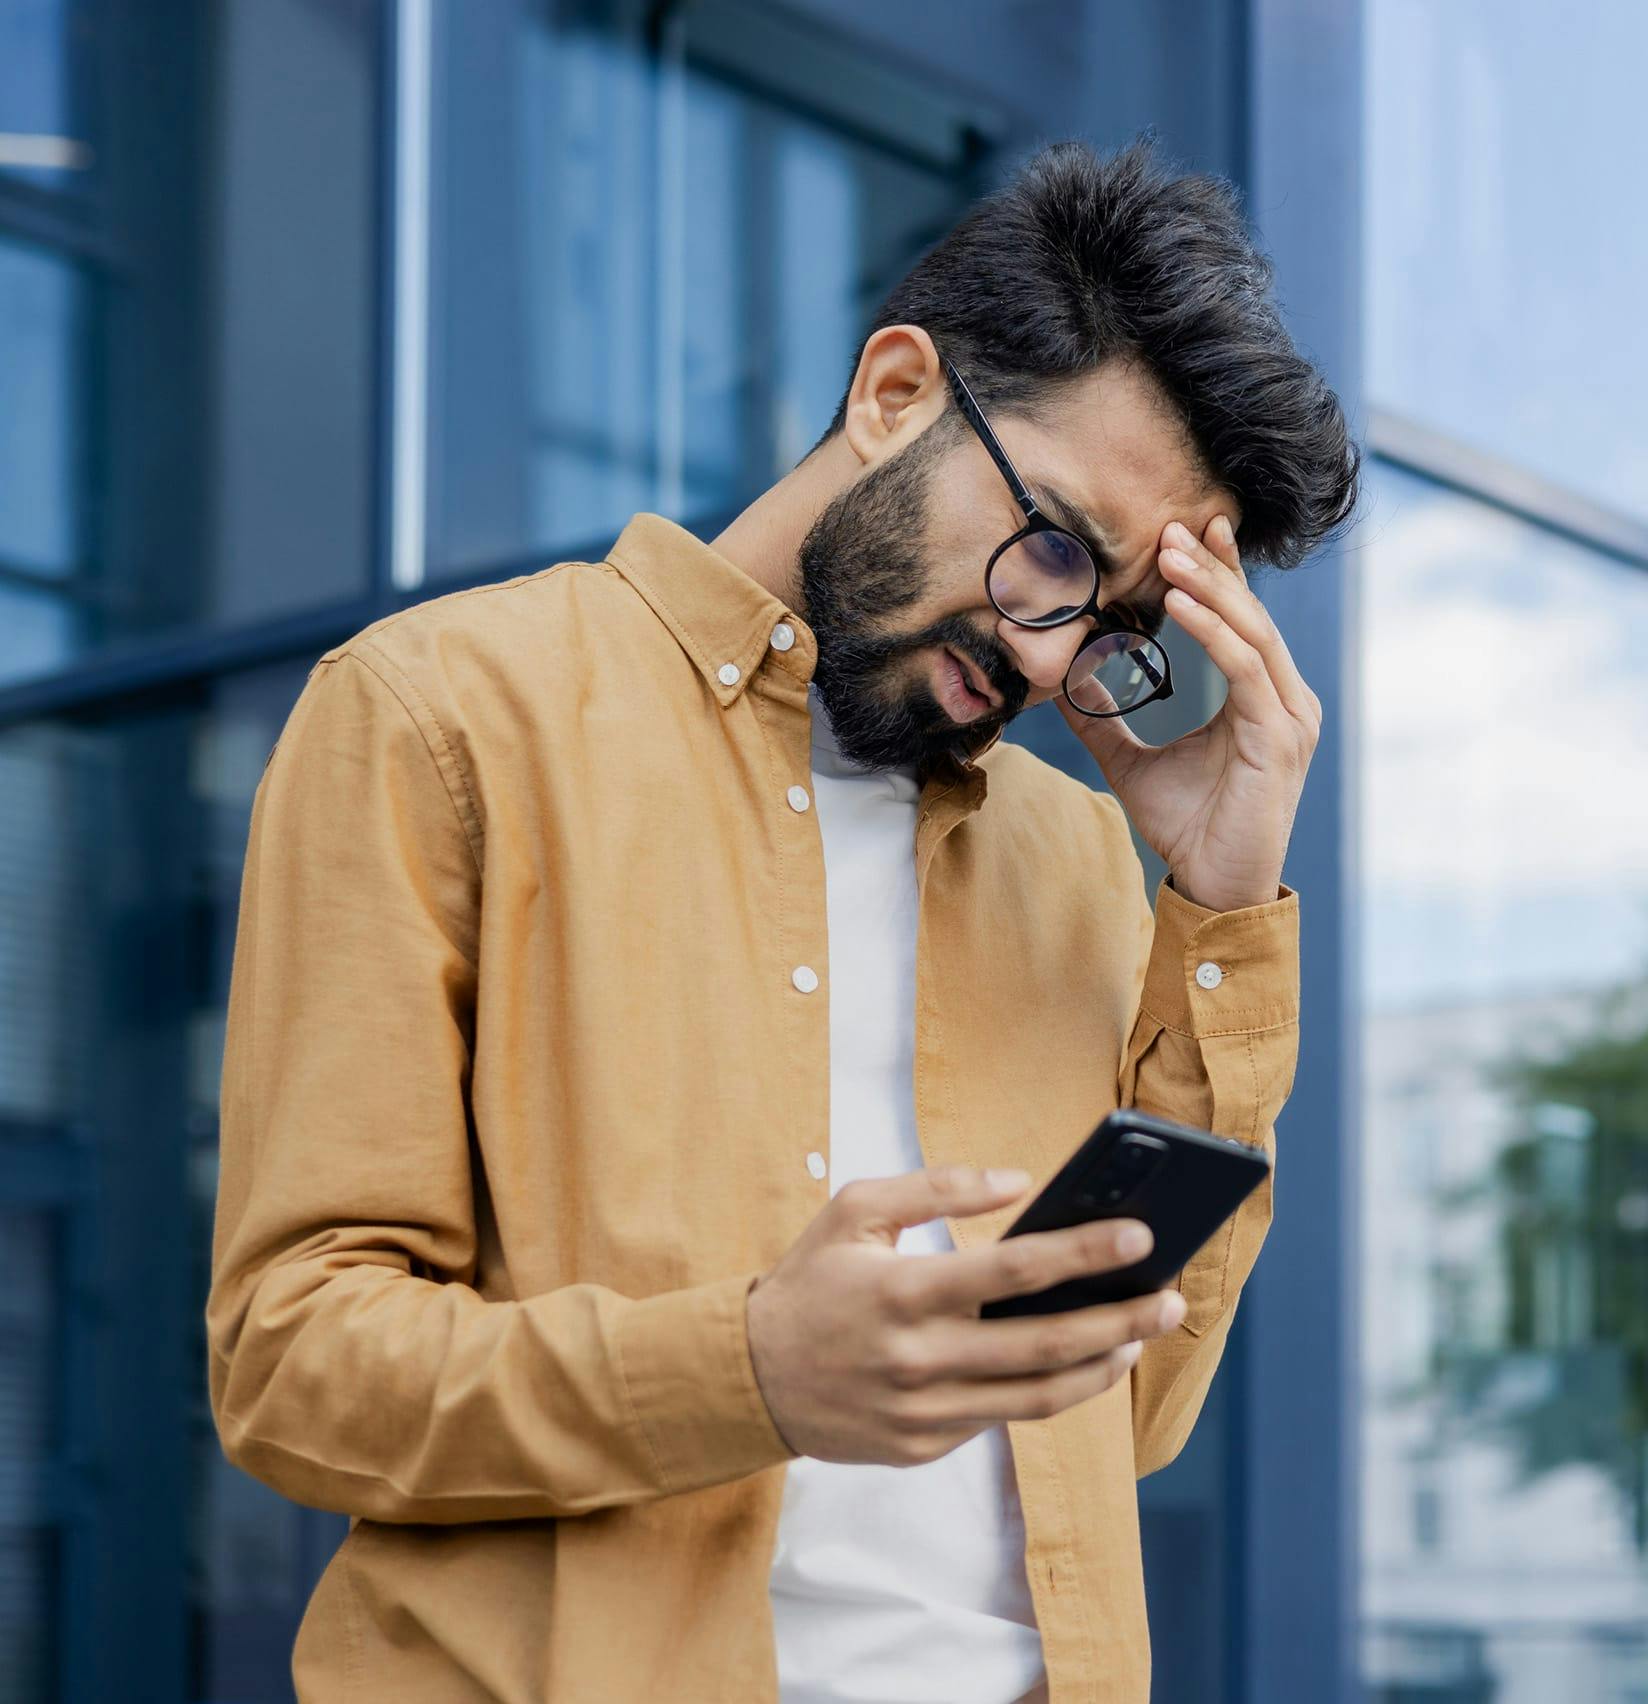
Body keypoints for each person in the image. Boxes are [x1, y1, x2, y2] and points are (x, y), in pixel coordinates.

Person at [205, 132, 1357, 1703]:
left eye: (1117, 623)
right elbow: (294, 1369)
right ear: (895, 393)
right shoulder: (445, 716)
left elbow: (1121, 1420)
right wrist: (746, 1370)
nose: (1045, 660)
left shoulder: (1080, 856)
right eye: (1056, 552)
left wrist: (1219, 905)